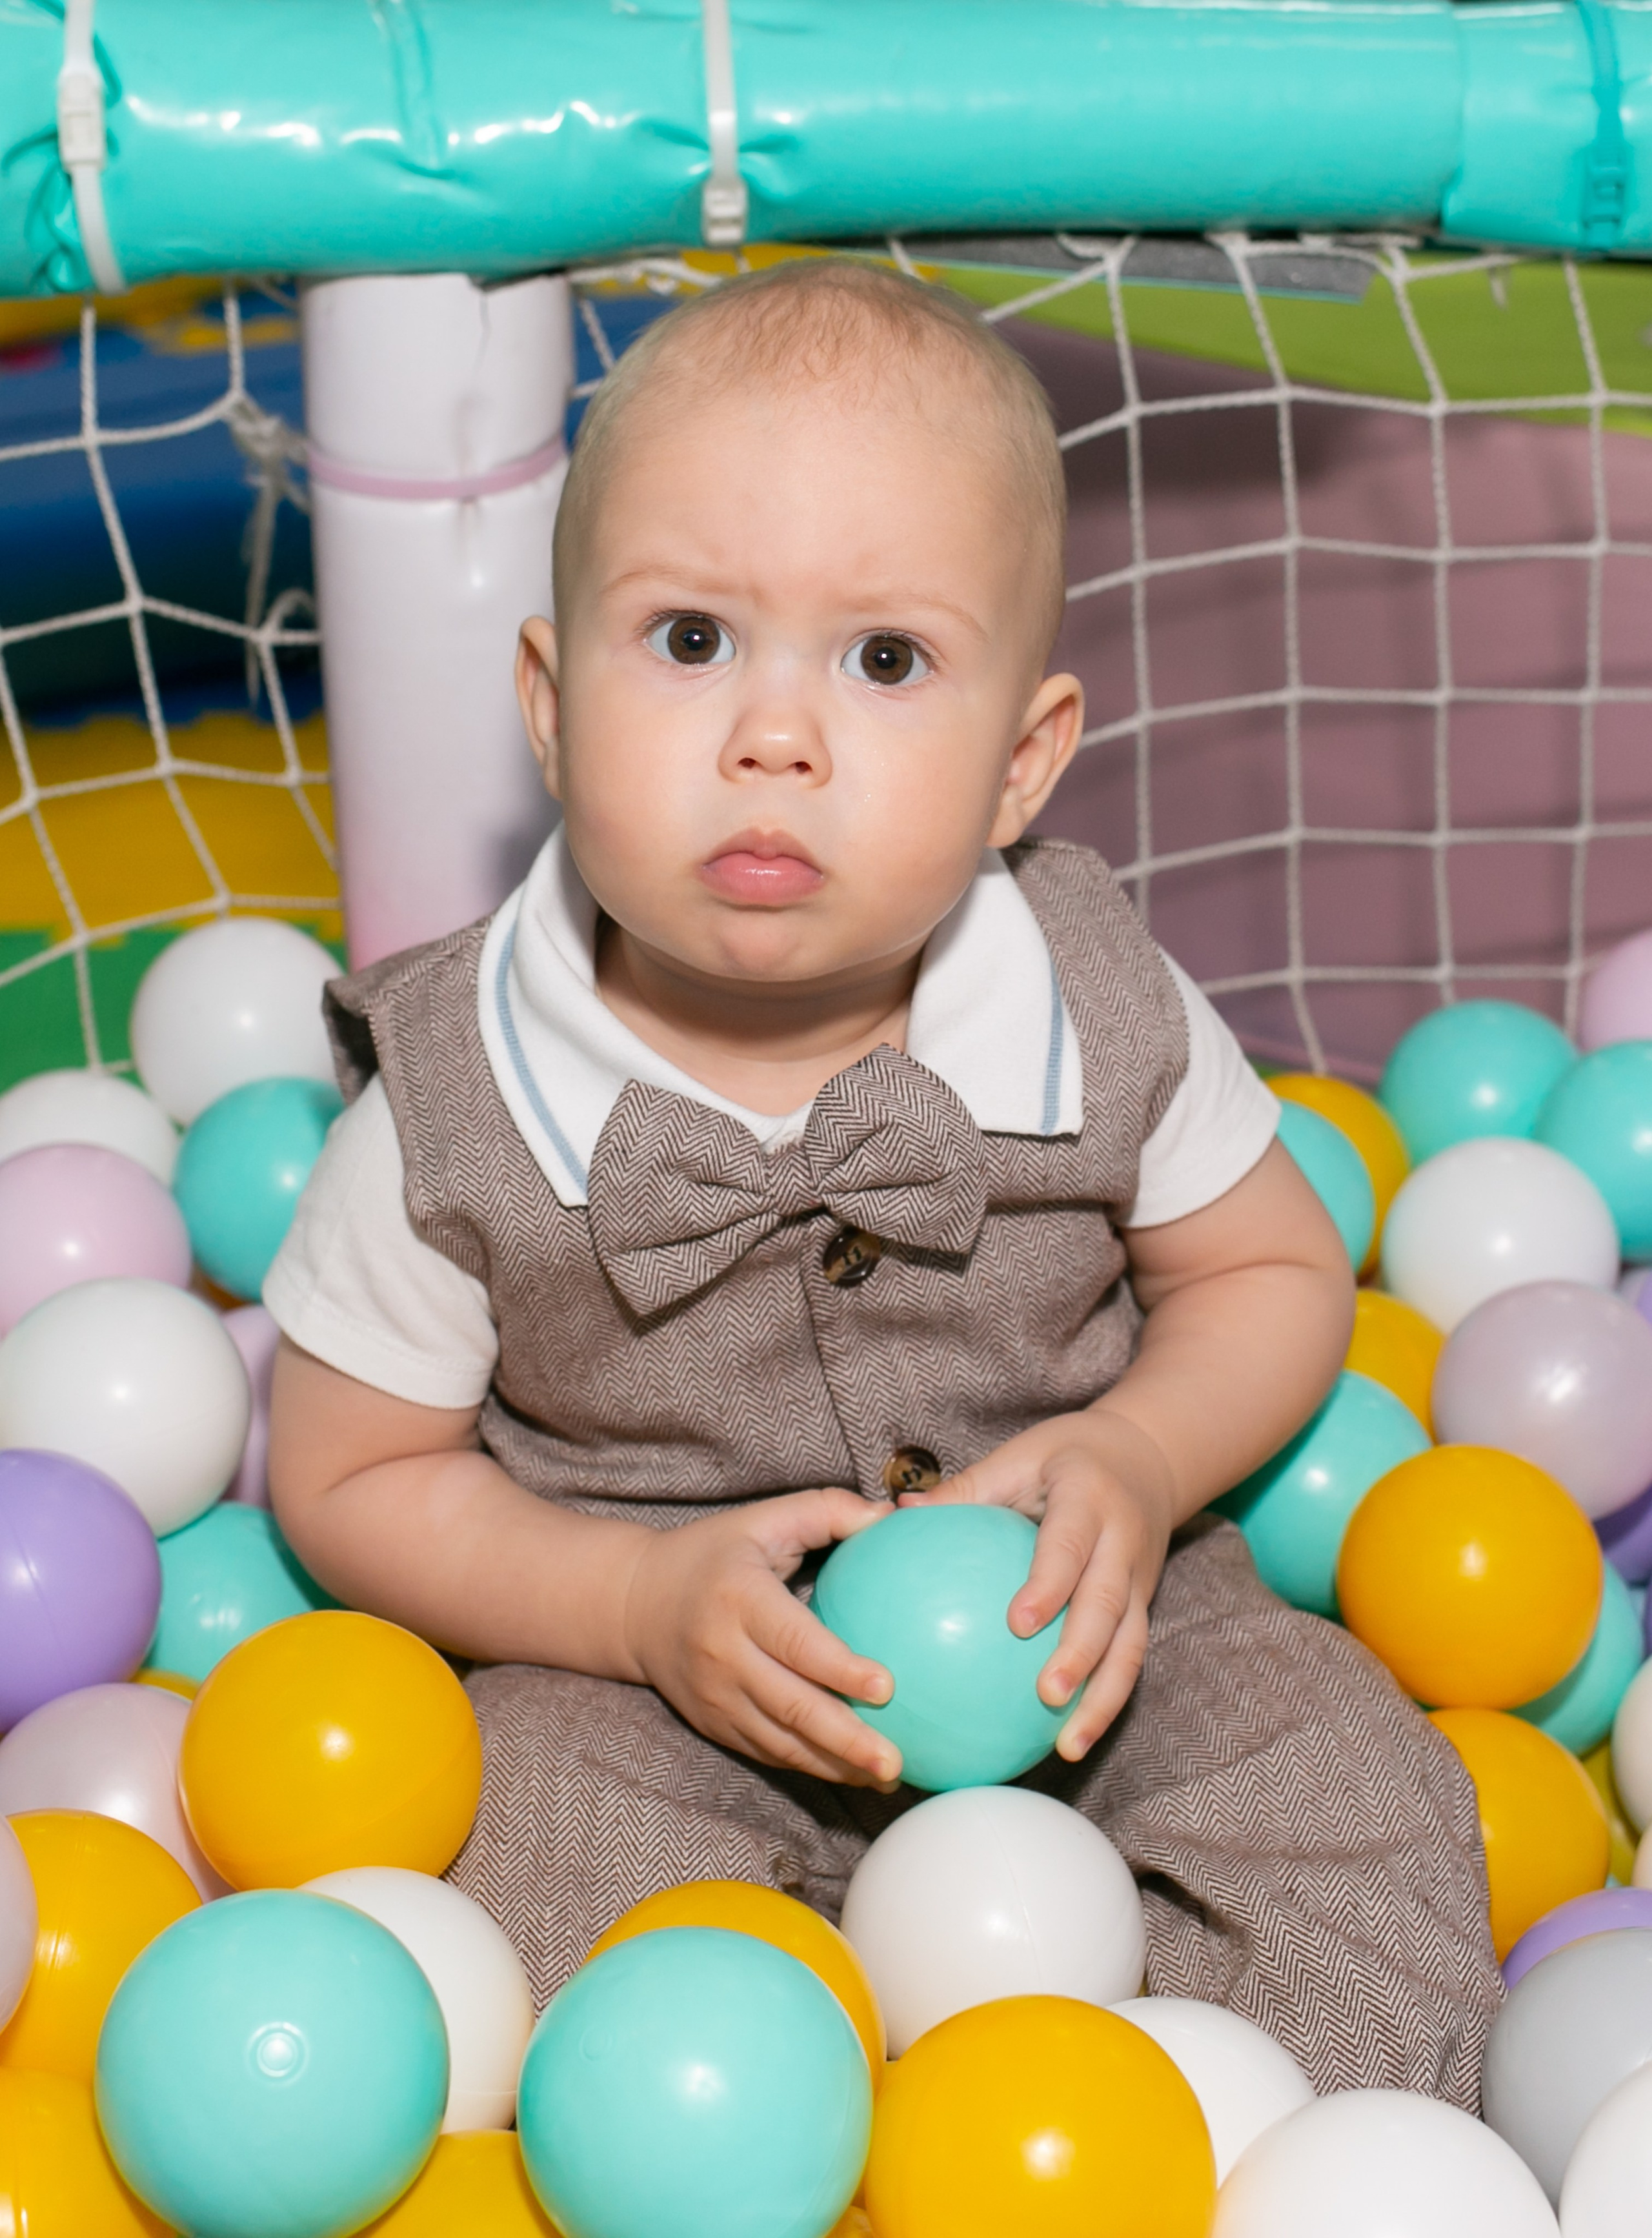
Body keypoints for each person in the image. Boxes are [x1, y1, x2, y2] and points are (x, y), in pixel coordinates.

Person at [266, 257, 1498, 2102]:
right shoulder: (455, 1113)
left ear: (1024, 764)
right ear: (546, 700)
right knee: (531, 1882)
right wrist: (626, 1609)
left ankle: (1185, 2138)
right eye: (690, 638)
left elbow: (1269, 1273)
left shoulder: (1099, 1000)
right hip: (646, 1671)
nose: (778, 734)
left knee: (1348, 1796)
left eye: (886, 659)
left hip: (1101, 1630)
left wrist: (1144, 1460)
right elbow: (344, 1469)